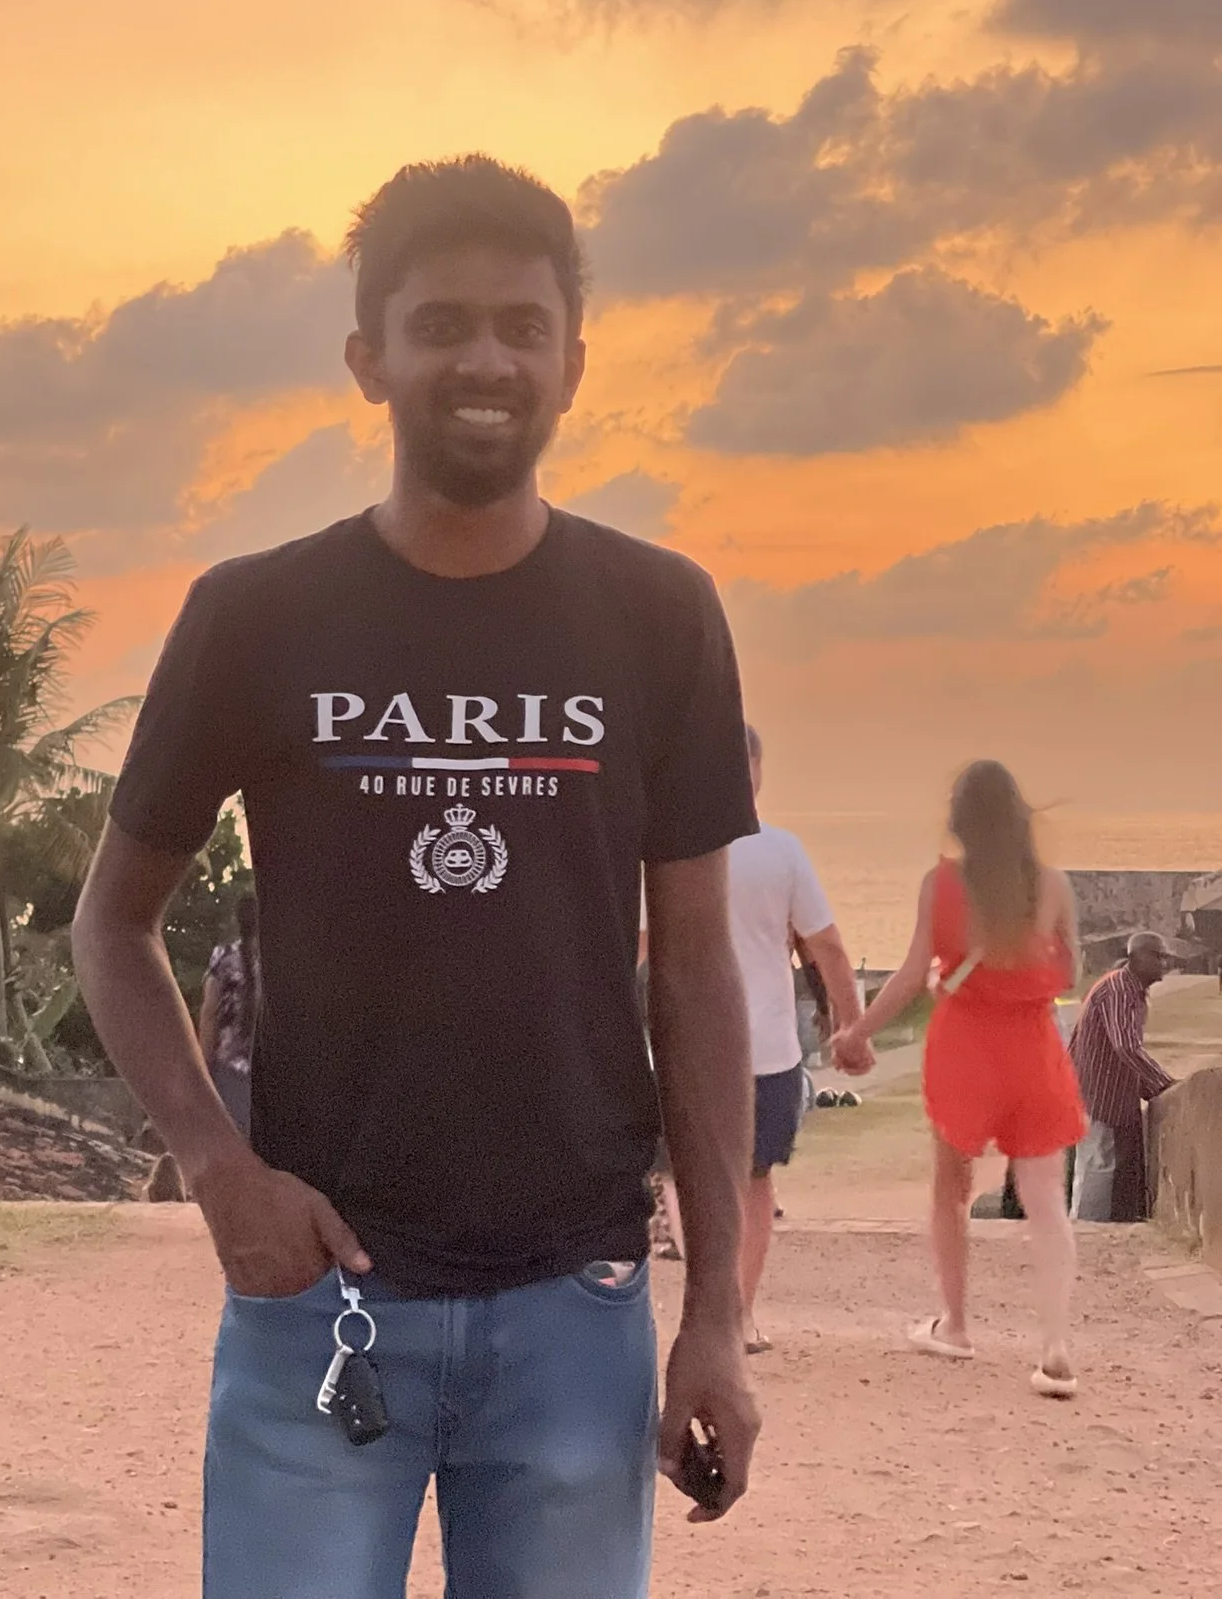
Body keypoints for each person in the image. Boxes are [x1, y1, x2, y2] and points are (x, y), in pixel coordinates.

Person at [72, 155, 763, 1599]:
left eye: (522, 326)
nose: (484, 359)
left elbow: (695, 971)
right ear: (369, 360)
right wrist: (217, 1170)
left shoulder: (657, 617)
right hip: (320, 1298)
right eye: (440, 324)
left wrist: (716, 1314)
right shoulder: (256, 618)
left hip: (579, 1308)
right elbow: (112, 922)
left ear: (575, 361)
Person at [832, 760, 1085, 1399]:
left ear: (961, 821)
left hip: (966, 1046)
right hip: (1032, 1047)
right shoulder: (1052, 886)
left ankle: (957, 1324)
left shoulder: (939, 885)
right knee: (1045, 1196)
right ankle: (1054, 1347)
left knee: (951, 1186)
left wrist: (858, 1032)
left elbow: (914, 972)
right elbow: (1073, 972)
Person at [724, 723, 872, 1352]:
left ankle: (702, 1313)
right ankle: (738, 1314)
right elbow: (829, 946)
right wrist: (849, 1027)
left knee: (687, 1178)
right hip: (765, 1047)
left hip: (686, 1047)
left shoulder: (665, 850)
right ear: (756, 772)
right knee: (756, 1182)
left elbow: (638, 948)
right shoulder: (781, 851)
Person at [1069, 932, 1175, 1223]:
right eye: (1158, 956)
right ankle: (1084, 1233)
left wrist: (1151, 1088)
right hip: (1095, 1093)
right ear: (1138, 956)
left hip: (1109, 1094)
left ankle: (1091, 1231)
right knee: (1096, 1165)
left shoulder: (1132, 990)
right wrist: (1163, 1083)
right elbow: (1126, 1046)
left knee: (1104, 1166)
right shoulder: (1119, 988)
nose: (1164, 963)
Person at [197, 892, 262, 1137]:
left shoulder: (223, 957)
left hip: (230, 1070)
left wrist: (203, 1068)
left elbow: (210, 1014)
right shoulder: (283, 960)